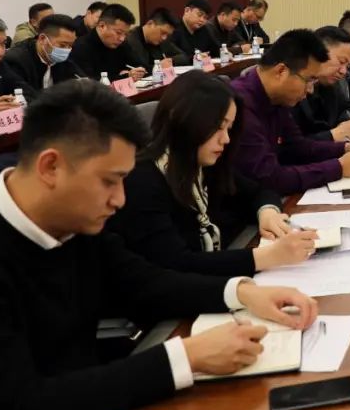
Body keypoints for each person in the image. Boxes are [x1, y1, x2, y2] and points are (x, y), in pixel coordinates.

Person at [0, 79, 319, 410]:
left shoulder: (74, 217)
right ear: (50, 167)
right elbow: (15, 407)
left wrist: (243, 292)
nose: (120, 200)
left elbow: (146, 283)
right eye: (109, 181)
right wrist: (185, 357)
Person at [110, 72, 318, 277]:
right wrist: (268, 256)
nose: (226, 139)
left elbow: (259, 191)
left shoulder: (204, 164)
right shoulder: (142, 180)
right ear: (184, 120)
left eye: (229, 128)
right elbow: (175, 264)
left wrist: (268, 213)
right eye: (218, 127)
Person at [231, 29, 350, 196]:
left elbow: (296, 147)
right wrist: (339, 168)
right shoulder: (239, 105)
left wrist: (344, 148)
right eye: (309, 80)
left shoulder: (277, 98)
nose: (310, 90)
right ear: (281, 71)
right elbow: (268, 178)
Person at [292, 26, 350, 142]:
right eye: (341, 62)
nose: (343, 71)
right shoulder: (290, 88)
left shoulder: (330, 84)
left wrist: (349, 124)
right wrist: (333, 135)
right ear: (318, 53)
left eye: (347, 66)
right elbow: (290, 145)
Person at [2, 14, 81, 95]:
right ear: (42, 39)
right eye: (62, 45)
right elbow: (26, 97)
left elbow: (81, 81)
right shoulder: (16, 61)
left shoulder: (63, 59)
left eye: (70, 45)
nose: (67, 50)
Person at [68, 3, 146, 82]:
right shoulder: (81, 47)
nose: (122, 39)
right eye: (118, 33)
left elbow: (139, 65)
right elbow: (88, 82)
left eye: (125, 34)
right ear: (102, 26)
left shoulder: (121, 44)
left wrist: (139, 72)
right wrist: (125, 76)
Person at [126, 7, 186, 73]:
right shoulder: (130, 40)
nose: (164, 38)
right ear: (150, 23)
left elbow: (183, 57)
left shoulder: (162, 41)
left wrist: (171, 60)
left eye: (167, 35)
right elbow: (140, 67)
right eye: (163, 32)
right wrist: (158, 66)